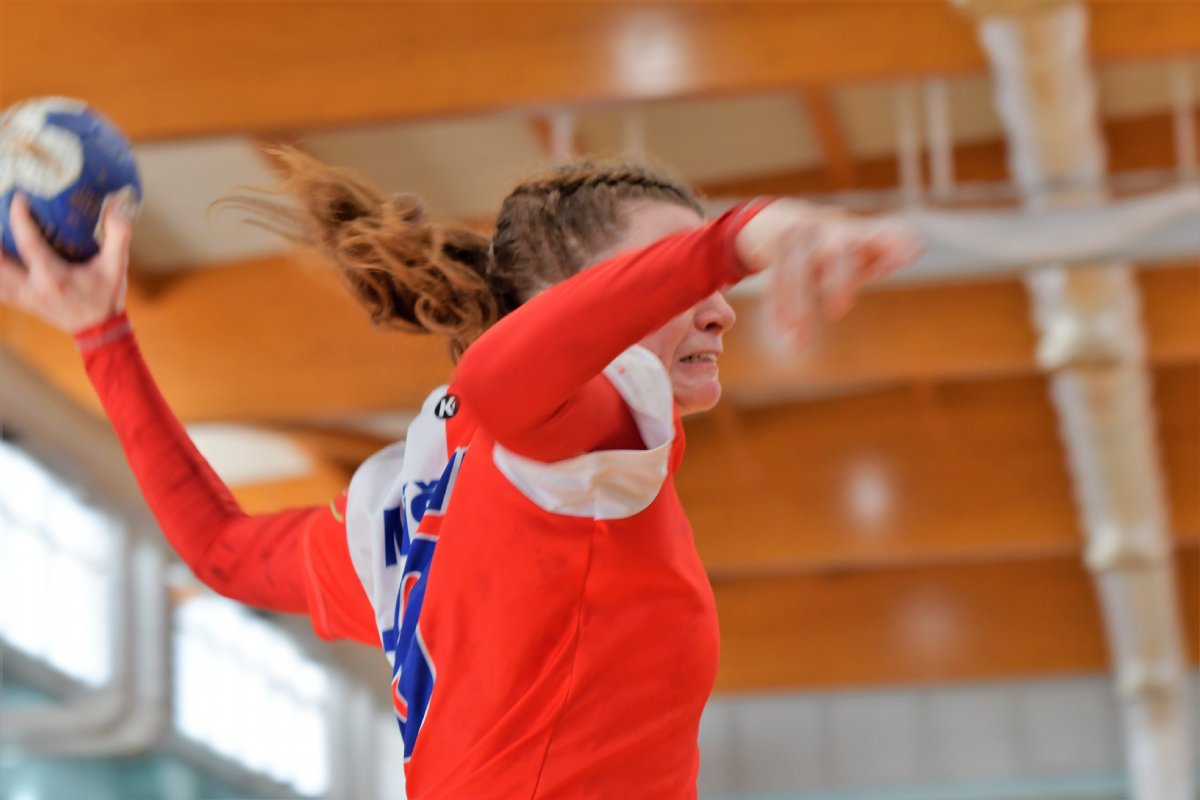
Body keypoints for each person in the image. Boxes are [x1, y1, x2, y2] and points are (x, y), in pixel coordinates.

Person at [0, 150, 919, 798]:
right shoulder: (569, 443)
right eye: (669, 277)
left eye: (703, 279)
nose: (718, 307)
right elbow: (504, 378)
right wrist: (740, 236)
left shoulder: (415, 491)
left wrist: (104, 337)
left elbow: (223, 550)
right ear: (565, 307)